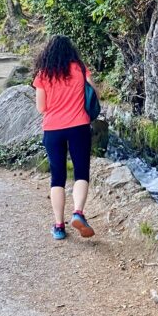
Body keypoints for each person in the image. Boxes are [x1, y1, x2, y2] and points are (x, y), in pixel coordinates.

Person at [32, 35, 96, 241]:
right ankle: (78, 213)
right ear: (71, 51)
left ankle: (59, 226)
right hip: (79, 126)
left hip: (53, 129)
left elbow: (41, 108)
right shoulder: (79, 68)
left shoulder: (43, 75)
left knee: (57, 177)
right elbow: (93, 95)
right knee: (81, 173)